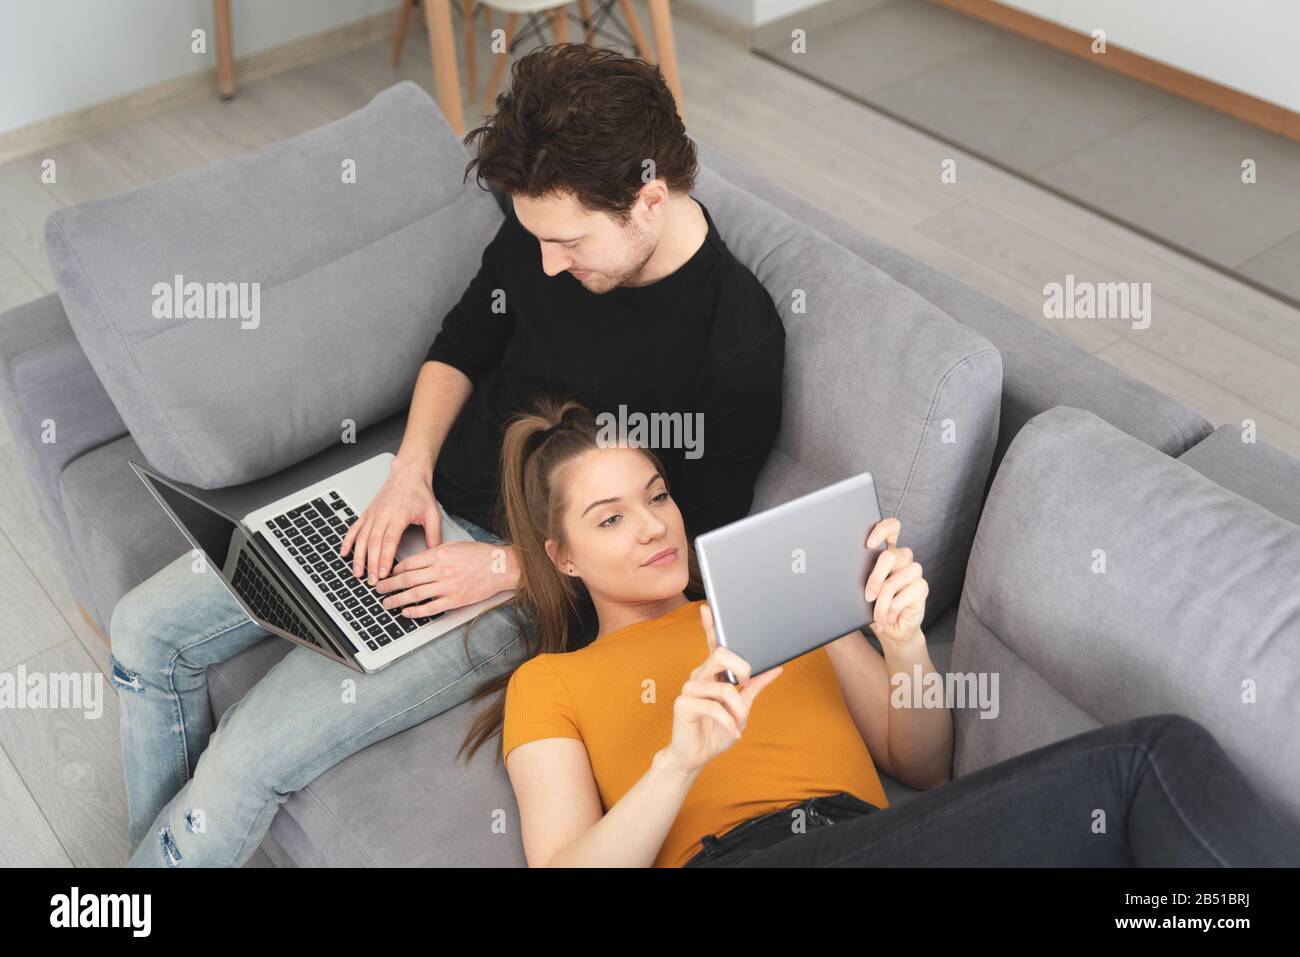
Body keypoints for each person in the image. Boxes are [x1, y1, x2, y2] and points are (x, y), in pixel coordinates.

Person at [108, 43, 784, 866]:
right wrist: (407, 473)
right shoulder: (549, 223)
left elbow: (690, 553)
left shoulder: (734, 345)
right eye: (536, 236)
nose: (547, 263)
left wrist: (506, 566)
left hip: (527, 589)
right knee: (143, 630)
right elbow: (464, 342)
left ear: (647, 202)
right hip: (421, 504)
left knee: (249, 758)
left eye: (568, 243)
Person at [476, 396, 1300, 867]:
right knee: (1143, 762)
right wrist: (678, 762)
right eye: (611, 518)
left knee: (1155, 771)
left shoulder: (766, 597)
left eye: (657, 496)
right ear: (563, 556)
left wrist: (902, 639)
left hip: (878, 840)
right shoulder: (548, 684)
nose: (654, 527)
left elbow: (924, 763)